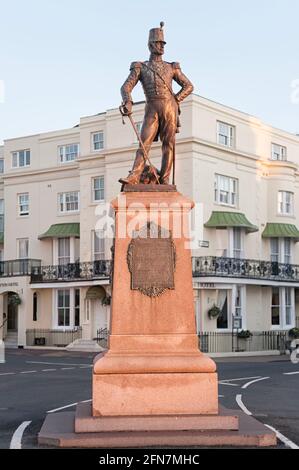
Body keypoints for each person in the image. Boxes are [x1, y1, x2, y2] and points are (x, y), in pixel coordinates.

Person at [119, 22, 194, 185]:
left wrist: (176, 99)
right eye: (158, 43)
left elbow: (188, 86)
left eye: (162, 44)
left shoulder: (172, 67)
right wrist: (128, 101)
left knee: (168, 144)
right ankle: (134, 175)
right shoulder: (141, 66)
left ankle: (165, 179)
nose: (161, 46)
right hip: (151, 107)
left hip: (169, 107)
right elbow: (126, 87)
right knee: (143, 142)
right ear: (150, 45)